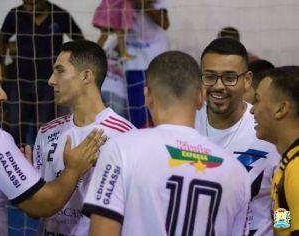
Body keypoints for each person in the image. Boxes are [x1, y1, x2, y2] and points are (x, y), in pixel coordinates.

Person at [0, 41, 105, 236]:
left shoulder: (120, 133)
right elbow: (41, 205)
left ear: (87, 76)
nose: (3, 95)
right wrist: (74, 169)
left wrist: (28, 179)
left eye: (60, 71)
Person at [82, 51, 250, 236]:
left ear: (147, 96)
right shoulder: (237, 171)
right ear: (202, 97)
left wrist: (283, 223)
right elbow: (280, 212)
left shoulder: (121, 150)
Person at [33, 40, 135, 236]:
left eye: (60, 71)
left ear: (86, 76)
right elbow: (36, 210)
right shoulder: (47, 132)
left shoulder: (127, 136)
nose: (51, 80)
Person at [195, 38, 281, 236]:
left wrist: (283, 230)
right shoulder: (185, 124)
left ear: (247, 80)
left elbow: (282, 204)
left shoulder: (267, 130)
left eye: (229, 77)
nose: (218, 86)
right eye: (209, 76)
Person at [0, 0, 85, 146]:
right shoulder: (16, 14)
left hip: (49, 81)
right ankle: (16, 160)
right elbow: (2, 38)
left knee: (45, 125)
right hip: (20, 79)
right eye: (26, 4)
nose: (30, 7)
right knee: (15, 125)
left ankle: (42, 163)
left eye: (34, 4)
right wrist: (1, 66)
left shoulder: (60, 15)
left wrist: (70, 66)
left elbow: (79, 40)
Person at [250, 66, 299, 235]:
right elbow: (283, 225)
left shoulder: (297, 169)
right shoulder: (285, 167)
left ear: (280, 109)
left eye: (257, 100)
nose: (252, 109)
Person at [123, 0, 170, 128]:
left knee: (158, 104)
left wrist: (144, 5)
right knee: (137, 110)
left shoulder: (155, 3)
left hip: (155, 58)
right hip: (133, 59)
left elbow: (165, 23)